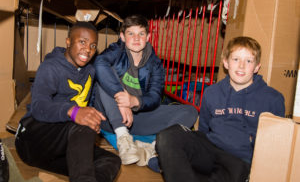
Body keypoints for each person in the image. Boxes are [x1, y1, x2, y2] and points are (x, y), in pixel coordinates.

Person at [156, 36, 285, 182]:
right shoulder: (212, 92)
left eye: (248, 61)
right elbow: (203, 129)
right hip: (210, 149)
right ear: (226, 62)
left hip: (239, 161)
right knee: (168, 136)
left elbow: (275, 145)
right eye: (236, 59)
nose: (241, 66)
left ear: (256, 67)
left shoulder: (272, 99)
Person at [15, 21, 121, 182]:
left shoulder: (90, 70)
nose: (88, 49)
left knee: (111, 160)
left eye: (93, 45)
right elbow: (38, 107)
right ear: (68, 42)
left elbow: (87, 103)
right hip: (31, 141)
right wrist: (73, 111)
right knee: (82, 125)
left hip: (57, 150)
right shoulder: (50, 67)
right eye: (82, 42)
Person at [91, 15, 198, 166]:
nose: (136, 38)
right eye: (131, 33)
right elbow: (100, 63)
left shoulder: (155, 63)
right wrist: (121, 98)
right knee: (105, 74)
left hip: (135, 119)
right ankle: (123, 139)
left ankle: (153, 147)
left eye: (141, 33)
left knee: (190, 112)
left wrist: (134, 101)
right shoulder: (116, 50)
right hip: (109, 118)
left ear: (148, 37)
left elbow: (155, 96)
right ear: (122, 36)